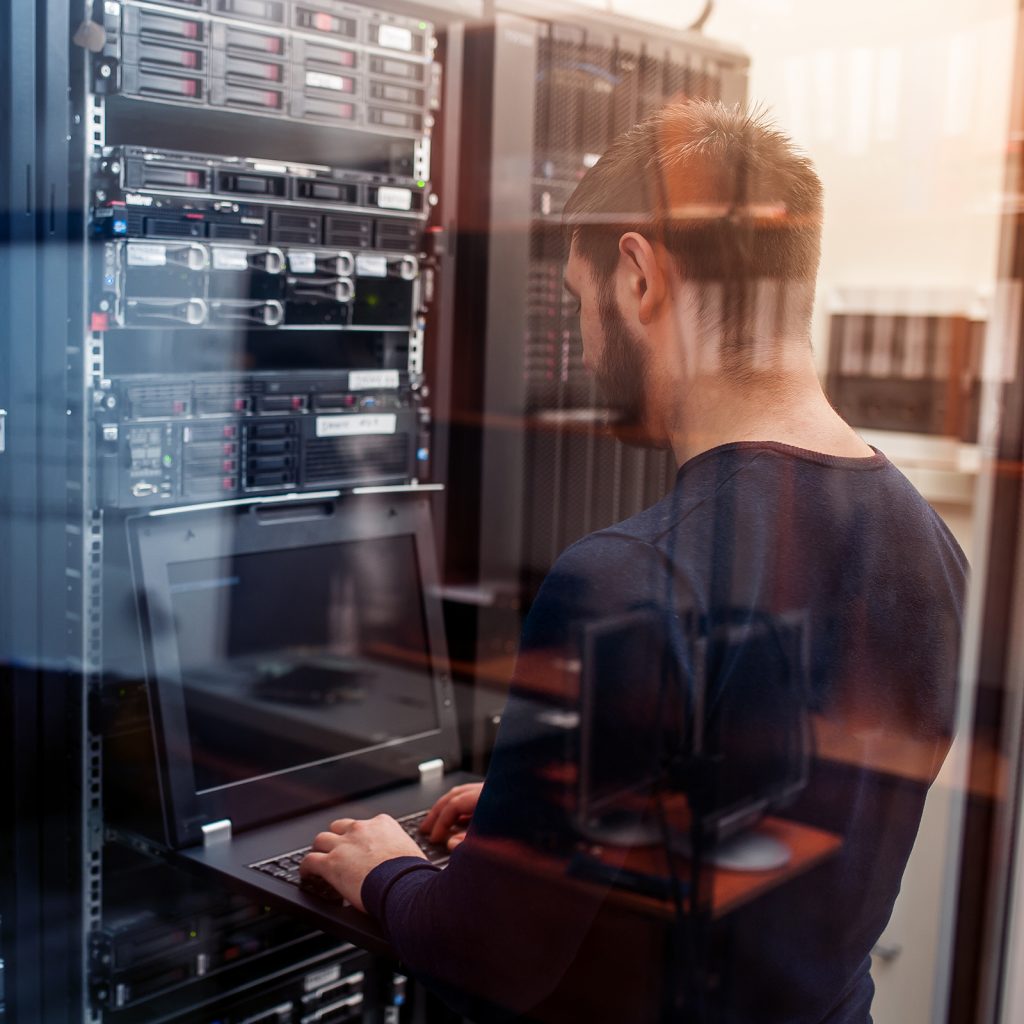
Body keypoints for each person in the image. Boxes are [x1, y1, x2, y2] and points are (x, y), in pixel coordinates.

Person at [299, 101, 967, 1023]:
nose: (581, 343)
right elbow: (769, 811)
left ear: (640, 275)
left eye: (579, 302)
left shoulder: (624, 579)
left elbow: (491, 956)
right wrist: (542, 816)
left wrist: (389, 873)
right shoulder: (930, 545)